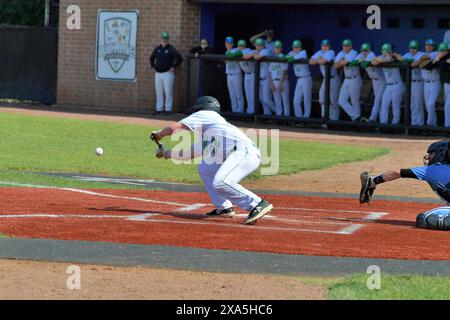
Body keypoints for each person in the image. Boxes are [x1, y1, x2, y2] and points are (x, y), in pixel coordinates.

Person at [151, 96, 273, 225]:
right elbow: (189, 154)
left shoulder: (207, 114)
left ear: (202, 108)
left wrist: (159, 134)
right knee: (205, 168)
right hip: (238, 154)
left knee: (221, 181)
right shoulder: (209, 132)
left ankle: (257, 203)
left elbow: (176, 127)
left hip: (245, 153)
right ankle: (224, 207)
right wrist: (166, 153)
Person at [359, 140, 450, 231]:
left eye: (432, 154)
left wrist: (374, 181)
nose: (429, 157)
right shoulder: (441, 168)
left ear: (440, 154)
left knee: (424, 219)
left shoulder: (432, 170)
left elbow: (398, 173)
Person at [393, 40, 425, 126]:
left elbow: (417, 61)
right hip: (410, 83)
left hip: (419, 82)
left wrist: (404, 60)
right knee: (411, 105)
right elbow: (400, 60)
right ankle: (414, 124)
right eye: (411, 48)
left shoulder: (421, 54)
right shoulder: (407, 55)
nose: (412, 50)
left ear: (418, 48)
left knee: (418, 105)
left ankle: (420, 124)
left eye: (414, 48)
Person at [150, 31, 183, 115]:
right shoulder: (157, 48)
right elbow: (151, 57)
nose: (164, 40)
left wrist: (173, 67)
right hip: (158, 74)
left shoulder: (171, 48)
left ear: (168, 39)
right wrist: (153, 66)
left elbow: (179, 58)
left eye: (166, 39)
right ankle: (159, 109)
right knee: (159, 92)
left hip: (168, 74)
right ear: (160, 39)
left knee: (168, 92)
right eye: (163, 38)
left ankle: (168, 110)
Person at [372, 43, 405, 125]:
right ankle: (383, 123)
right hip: (388, 85)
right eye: (384, 50)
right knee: (384, 105)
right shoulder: (381, 57)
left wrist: (392, 55)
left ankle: (395, 124)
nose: (385, 52)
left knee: (395, 106)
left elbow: (391, 59)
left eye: (387, 51)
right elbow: (373, 62)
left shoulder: (394, 56)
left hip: (397, 84)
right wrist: (381, 59)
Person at [309, 39, 341, 121]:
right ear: (321, 46)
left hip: (333, 78)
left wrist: (318, 59)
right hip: (325, 79)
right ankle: (325, 118)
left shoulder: (331, 52)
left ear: (329, 47)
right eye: (323, 46)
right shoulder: (319, 52)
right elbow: (310, 62)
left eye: (326, 46)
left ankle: (334, 120)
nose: (324, 47)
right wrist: (318, 59)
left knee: (334, 100)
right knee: (321, 99)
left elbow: (324, 61)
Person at [335, 39, 365, 122]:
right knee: (341, 101)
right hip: (347, 79)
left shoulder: (354, 53)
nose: (345, 47)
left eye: (347, 46)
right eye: (344, 46)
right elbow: (335, 65)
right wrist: (341, 62)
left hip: (355, 78)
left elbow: (343, 63)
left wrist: (341, 61)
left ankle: (356, 122)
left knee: (354, 101)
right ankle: (357, 118)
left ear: (351, 47)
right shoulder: (341, 53)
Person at [357, 43, 386, 123]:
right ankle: (380, 122)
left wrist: (361, 61)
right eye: (362, 50)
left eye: (366, 50)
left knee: (377, 100)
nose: (364, 52)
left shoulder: (371, 55)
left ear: (369, 50)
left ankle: (372, 119)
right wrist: (359, 60)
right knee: (378, 102)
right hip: (374, 81)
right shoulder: (361, 55)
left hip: (382, 81)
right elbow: (354, 62)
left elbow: (364, 64)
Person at [288, 40, 312, 118]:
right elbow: (288, 57)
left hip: (306, 78)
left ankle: (306, 118)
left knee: (306, 100)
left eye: (297, 48)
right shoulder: (291, 53)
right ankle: (299, 118)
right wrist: (290, 57)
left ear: (300, 48)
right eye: (294, 47)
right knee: (296, 100)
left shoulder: (303, 52)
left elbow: (293, 58)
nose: (295, 49)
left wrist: (291, 57)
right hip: (299, 79)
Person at [419, 39, 440, 127]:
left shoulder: (435, 53)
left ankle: (428, 125)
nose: (428, 47)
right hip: (426, 84)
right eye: (427, 45)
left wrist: (421, 60)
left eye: (430, 45)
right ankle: (433, 125)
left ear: (434, 47)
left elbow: (426, 59)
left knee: (431, 104)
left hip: (434, 82)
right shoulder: (423, 54)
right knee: (428, 106)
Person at [253, 38, 275, 115]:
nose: (258, 47)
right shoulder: (256, 51)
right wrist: (254, 53)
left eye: (260, 45)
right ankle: (267, 115)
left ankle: (278, 113)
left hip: (267, 79)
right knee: (262, 99)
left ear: (263, 46)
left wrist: (254, 54)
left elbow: (256, 57)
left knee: (267, 99)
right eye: (257, 45)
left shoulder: (265, 51)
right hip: (259, 79)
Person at [269, 40, 290, 117]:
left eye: (278, 48)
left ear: (281, 49)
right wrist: (271, 84)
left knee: (285, 101)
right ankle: (279, 117)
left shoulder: (283, 57)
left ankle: (286, 118)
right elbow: (270, 73)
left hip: (283, 81)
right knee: (277, 101)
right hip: (274, 81)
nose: (277, 49)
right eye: (275, 48)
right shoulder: (273, 58)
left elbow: (285, 72)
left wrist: (281, 84)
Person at [224, 36, 245, 113]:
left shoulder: (236, 50)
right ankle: (234, 111)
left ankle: (240, 111)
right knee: (232, 95)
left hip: (237, 74)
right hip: (229, 75)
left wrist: (230, 56)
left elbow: (239, 52)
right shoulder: (226, 52)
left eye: (230, 43)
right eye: (227, 43)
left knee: (238, 94)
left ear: (232, 44)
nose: (228, 45)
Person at [238, 40, 257, 114]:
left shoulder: (248, 50)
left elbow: (247, 55)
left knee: (252, 94)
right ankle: (249, 110)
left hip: (253, 74)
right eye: (239, 46)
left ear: (245, 46)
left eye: (242, 46)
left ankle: (252, 112)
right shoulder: (238, 51)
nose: (241, 47)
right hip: (246, 74)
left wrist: (248, 55)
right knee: (247, 94)